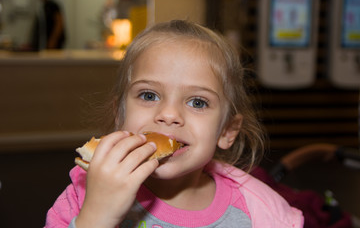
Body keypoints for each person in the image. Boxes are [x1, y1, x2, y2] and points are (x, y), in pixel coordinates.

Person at [45, 20, 303, 228]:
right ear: (119, 115)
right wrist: (95, 217)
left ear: (227, 131)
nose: (169, 115)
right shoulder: (87, 191)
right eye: (149, 95)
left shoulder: (258, 213)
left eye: (198, 102)